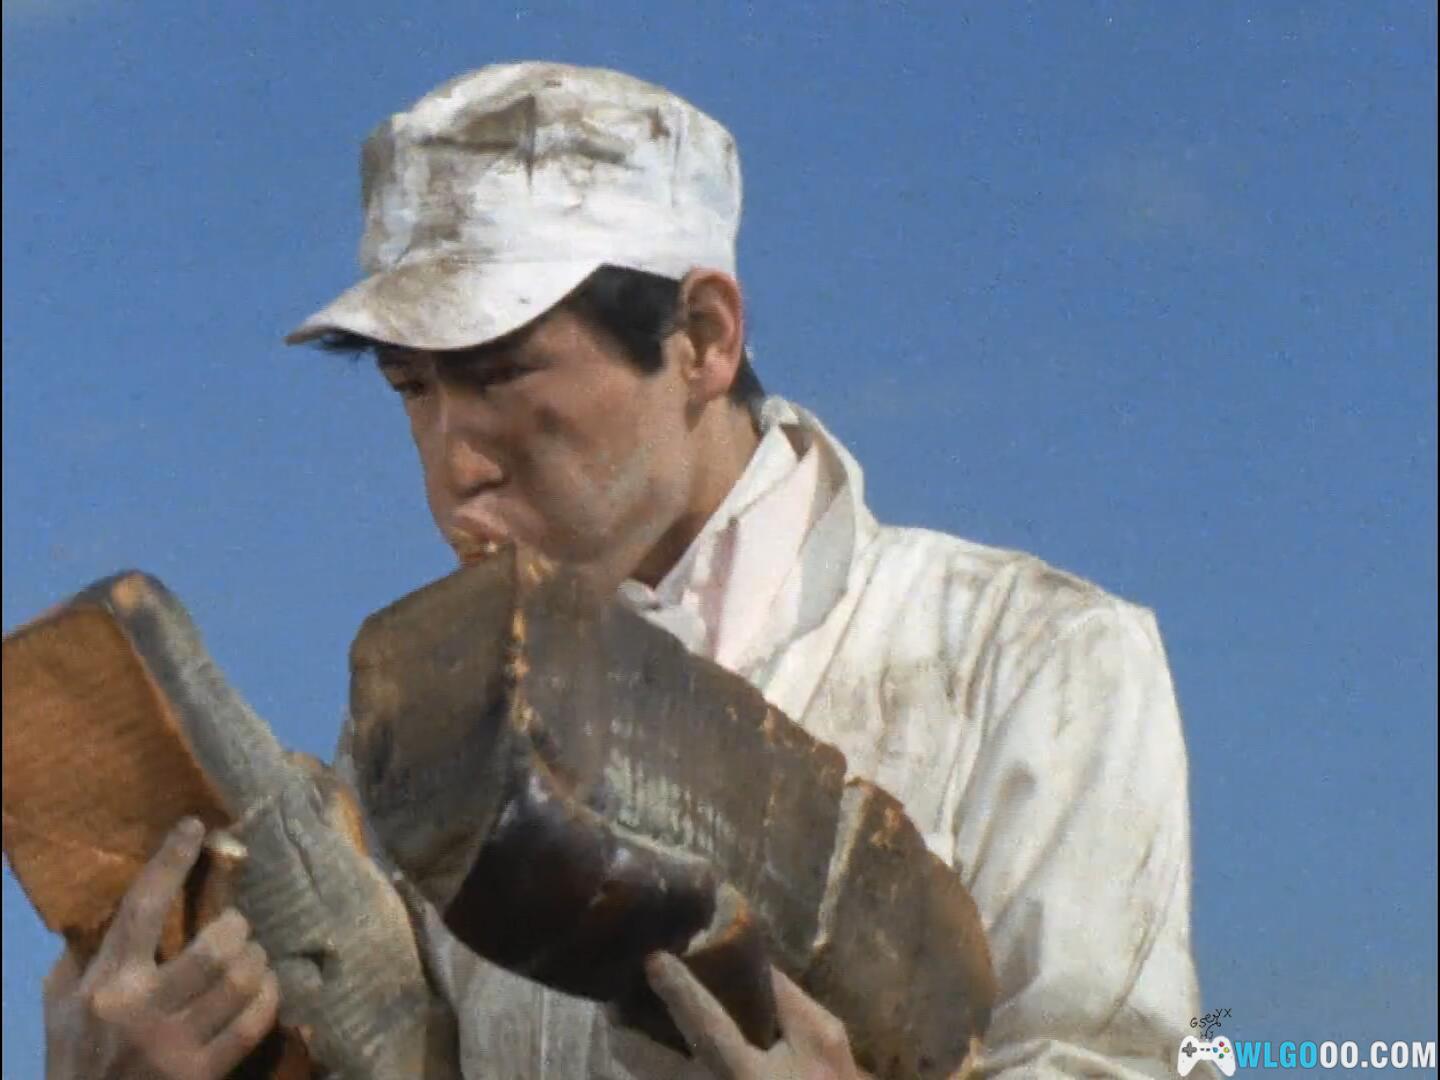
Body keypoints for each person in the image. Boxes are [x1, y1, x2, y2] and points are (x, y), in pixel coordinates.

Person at [43, 61, 1202, 1078]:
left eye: (500, 375)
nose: (454, 465)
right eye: (411, 388)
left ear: (702, 337)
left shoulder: (1033, 660)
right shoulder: (419, 729)